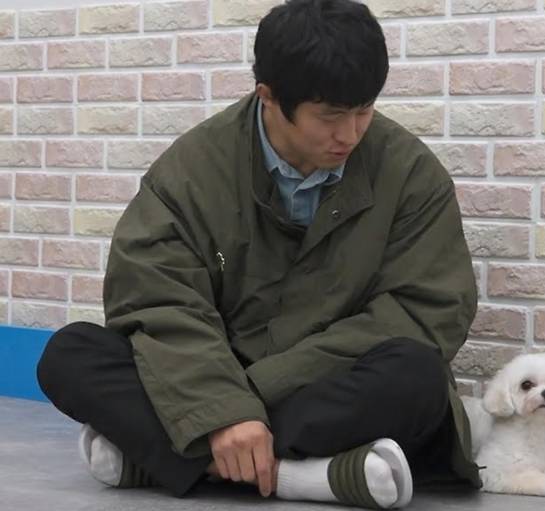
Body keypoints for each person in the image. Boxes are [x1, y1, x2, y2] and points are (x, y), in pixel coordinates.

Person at [36, 0, 481, 508]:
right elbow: (157, 300)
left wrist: (241, 400)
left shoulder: (412, 174)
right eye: (330, 116)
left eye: (364, 110)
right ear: (267, 96)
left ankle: (177, 457)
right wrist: (223, 406)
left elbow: (425, 312)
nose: (350, 134)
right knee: (71, 354)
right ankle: (303, 476)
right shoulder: (191, 170)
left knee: (415, 376)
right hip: (216, 372)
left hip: (322, 386)